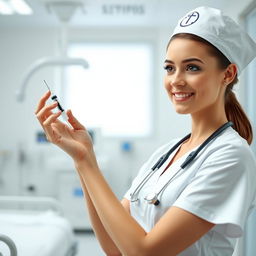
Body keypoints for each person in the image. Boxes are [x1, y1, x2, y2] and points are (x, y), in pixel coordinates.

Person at [35, 6, 256, 256]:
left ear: (228, 74)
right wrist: (82, 158)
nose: (176, 80)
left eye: (192, 67)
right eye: (170, 68)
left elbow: (145, 253)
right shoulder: (166, 153)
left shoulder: (230, 156)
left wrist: (89, 166)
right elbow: (112, 246)